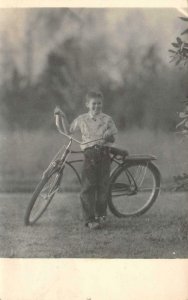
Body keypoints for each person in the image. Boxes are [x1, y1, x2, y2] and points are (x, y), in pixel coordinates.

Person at [55, 90, 117, 229]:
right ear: (87, 105)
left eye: (99, 103)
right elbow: (68, 131)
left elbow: (113, 138)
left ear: (102, 104)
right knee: (88, 187)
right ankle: (89, 219)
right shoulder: (82, 119)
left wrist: (108, 135)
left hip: (104, 153)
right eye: (93, 104)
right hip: (90, 154)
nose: (97, 106)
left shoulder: (107, 119)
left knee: (102, 186)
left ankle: (101, 215)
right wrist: (63, 116)